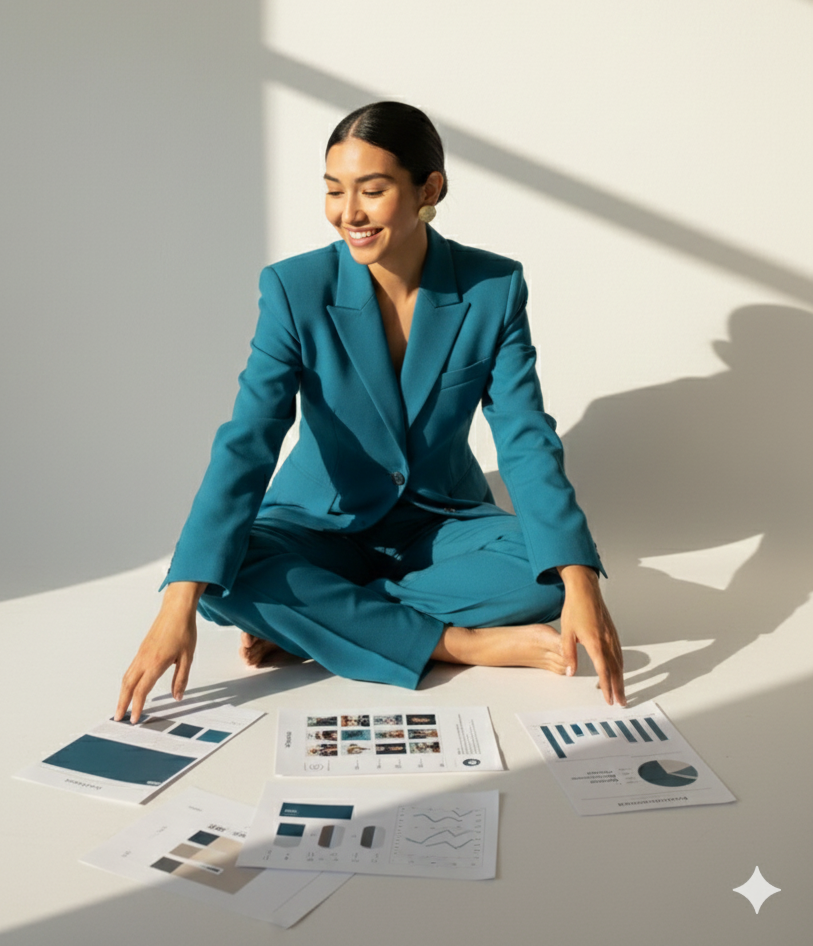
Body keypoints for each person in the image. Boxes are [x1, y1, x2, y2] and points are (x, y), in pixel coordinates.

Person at [116, 102, 625, 723]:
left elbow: (524, 437)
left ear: (428, 188)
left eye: (373, 190)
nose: (347, 214)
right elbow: (249, 439)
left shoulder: (494, 287)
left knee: (549, 575)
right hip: (315, 523)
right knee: (224, 571)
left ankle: (319, 624)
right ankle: (453, 643)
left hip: (438, 523)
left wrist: (580, 582)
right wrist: (175, 605)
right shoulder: (294, 289)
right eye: (333, 191)